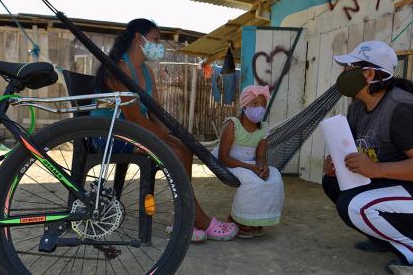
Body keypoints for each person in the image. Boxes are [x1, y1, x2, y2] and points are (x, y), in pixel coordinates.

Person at [322, 41, 413, 269]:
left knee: (355, 205)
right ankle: (386, 240)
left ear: (368, 73)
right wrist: (336, 164)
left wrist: (376, 169)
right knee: (333, 182)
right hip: (399, 184)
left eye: (350, 67)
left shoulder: (403, 109)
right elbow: (353, 149)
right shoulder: (357, 107)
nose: (344, 73)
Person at [92, 18, 238, 242]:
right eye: (155, 39)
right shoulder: (119, 69)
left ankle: (182, 218)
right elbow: (134, 117)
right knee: (176, 150)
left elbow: (155, 113)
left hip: (134, 133)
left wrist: (171, 137)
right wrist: (166, 141)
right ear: (138, 38)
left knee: (183, 149)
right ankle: (193, 218)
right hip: (109, 135)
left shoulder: (147, 72)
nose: (159, 46)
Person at [212, 85, 284, 238]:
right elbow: (223, 158)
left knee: (275, 177)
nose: (260, 108)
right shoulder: (233, 125)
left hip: (250, 164)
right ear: (245, 105)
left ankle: (258, 219)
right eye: (255, 104)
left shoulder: (263, 128)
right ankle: (238, 219)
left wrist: (262, 166)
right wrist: (251, 168)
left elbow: (260, 155)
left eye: (263, 104)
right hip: (230, 163)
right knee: (253, 182)